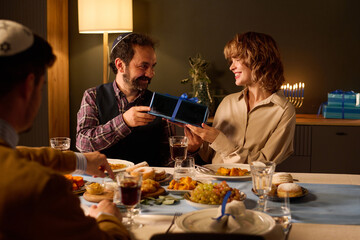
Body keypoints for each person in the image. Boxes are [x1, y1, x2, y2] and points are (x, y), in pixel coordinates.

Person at [0, 19, 130, 239]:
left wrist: (80, 161)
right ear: (28, 86)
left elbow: (21, 154)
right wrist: (108, 218)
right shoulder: (41, 188)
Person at [185, 32, 296, 165]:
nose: (231, 67)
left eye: (237, 60)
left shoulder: (283, 111)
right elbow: (210, 156)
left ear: (259, 60)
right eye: (231, 61)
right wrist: (195, 145)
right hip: (214, 183)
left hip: (253, 185)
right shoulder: (228, 102)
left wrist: (219, 140)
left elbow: (264, 165)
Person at [76, 32, 174, 167]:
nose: (151, 74)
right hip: (104, 183)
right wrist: (124, 122)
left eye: (153, 66)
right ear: (120, 65)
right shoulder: (93, 96)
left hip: (150, 185)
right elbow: (83, 144)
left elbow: (169, 162)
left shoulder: (159, 103)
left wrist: (190, 149)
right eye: (143, 66)